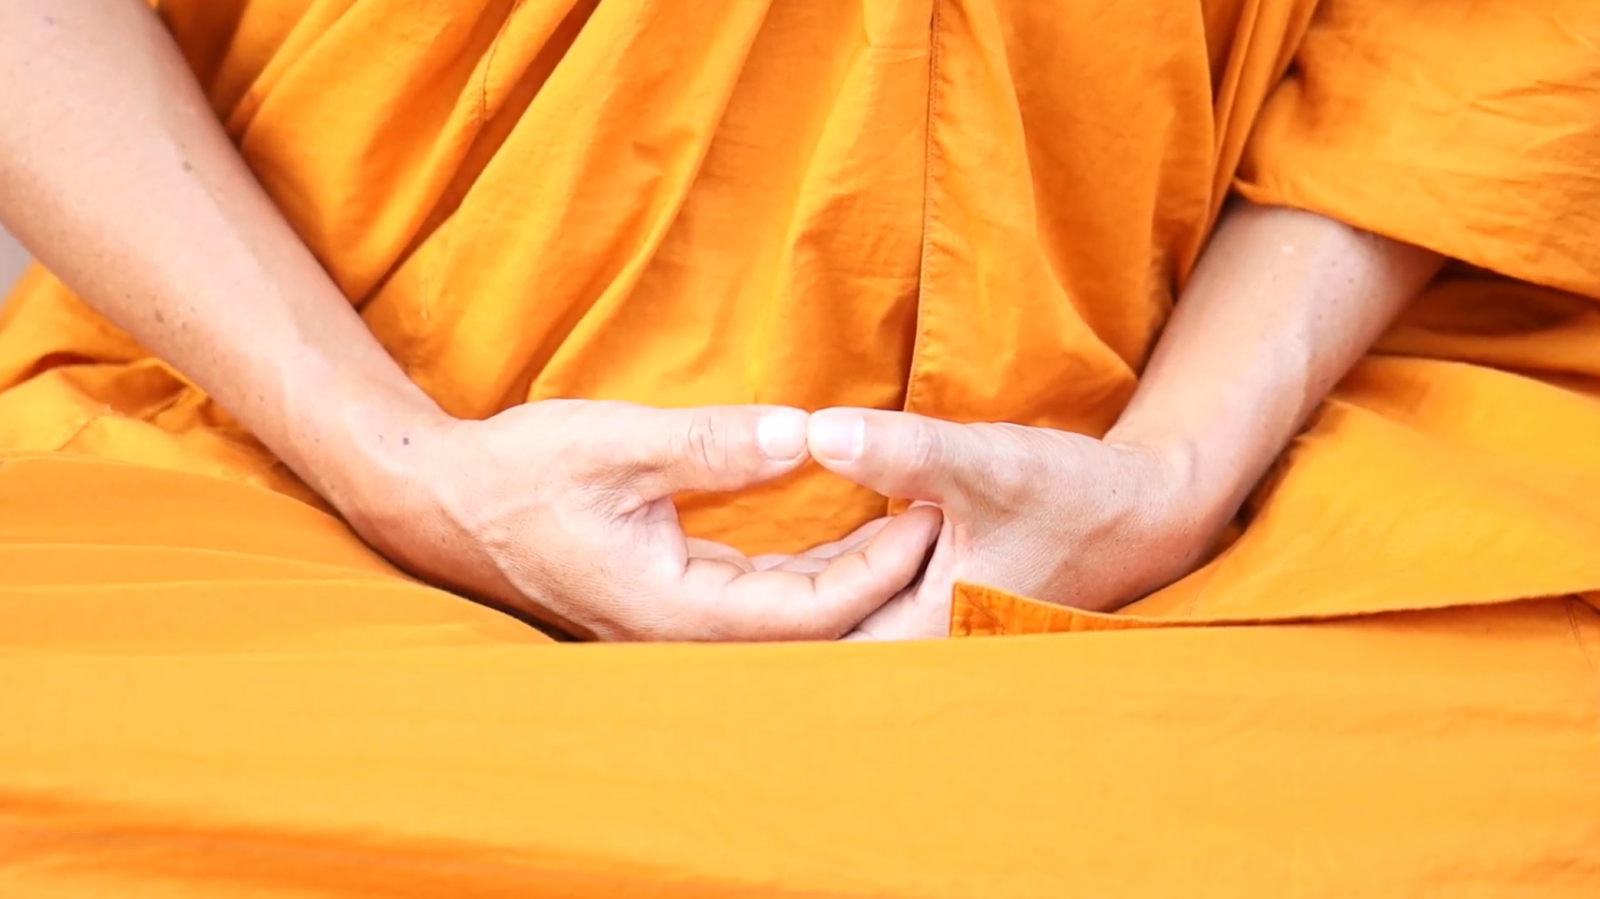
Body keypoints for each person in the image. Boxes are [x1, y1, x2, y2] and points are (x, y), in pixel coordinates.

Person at [1, 0, 1597, 895]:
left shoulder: (1195, 488)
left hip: (1227, 491)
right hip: (294, 457)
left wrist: (1178, 478)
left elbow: (1473, 46)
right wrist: (397, 463)